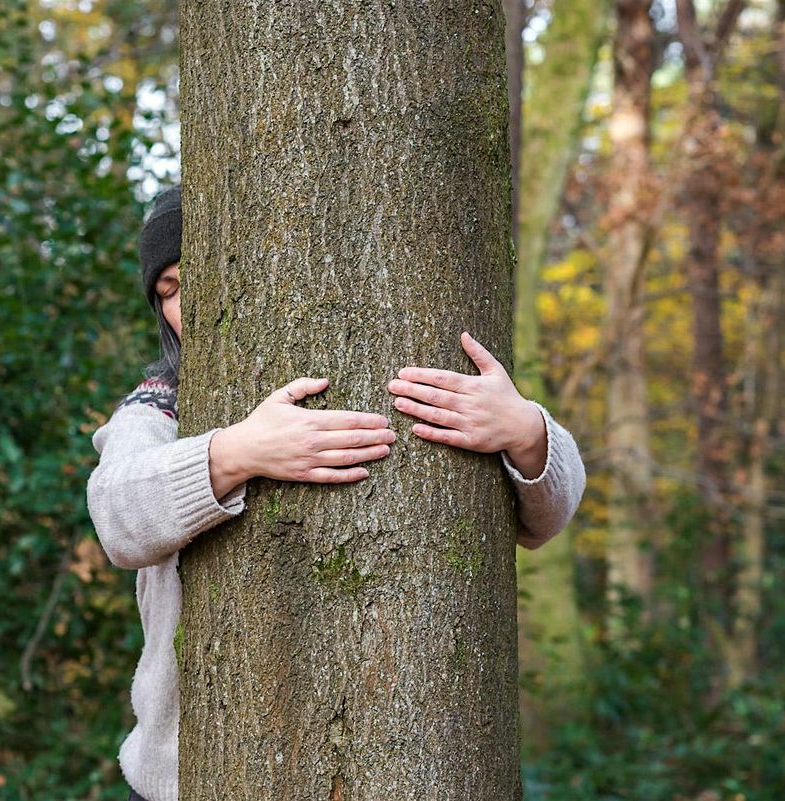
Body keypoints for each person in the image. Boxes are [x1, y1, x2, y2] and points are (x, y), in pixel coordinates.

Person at [86, 185, 587, 801]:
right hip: (183, 781)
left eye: (204, 273)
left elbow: (547, 518)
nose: (190, 300)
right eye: (170, 290)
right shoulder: (159, 406)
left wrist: (527, 431)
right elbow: (117, 516)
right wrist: (238, 453)